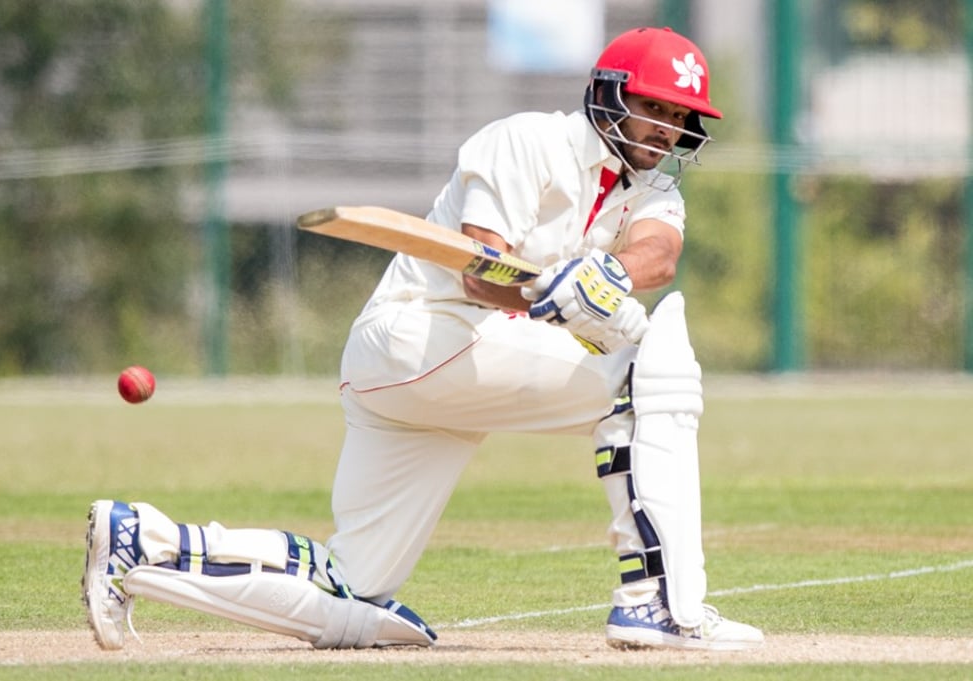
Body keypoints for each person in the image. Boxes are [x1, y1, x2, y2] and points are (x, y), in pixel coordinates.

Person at [83, 26, 764, 652]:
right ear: (609, 96)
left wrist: (605, 272)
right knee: (647, 377)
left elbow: (659, 254)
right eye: (655, 109)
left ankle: (143, 542)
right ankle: (658, 603)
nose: (666, 132)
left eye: (679, 119)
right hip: (422, 335)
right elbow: (478, 273)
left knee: (352, 592)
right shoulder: (527, 141)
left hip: (440, 380)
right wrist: (548, 294)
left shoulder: (650, 190)